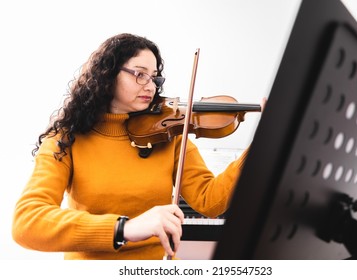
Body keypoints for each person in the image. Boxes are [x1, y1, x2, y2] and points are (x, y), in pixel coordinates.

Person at [12, 33, 266, 260]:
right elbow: (28, 223)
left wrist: (263, 140)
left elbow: (210, 201)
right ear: (108, 74)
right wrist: (124, 228)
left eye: (155, 77)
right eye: (140, 74)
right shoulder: (65, 139)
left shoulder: (169, 135)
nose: (151, 85)